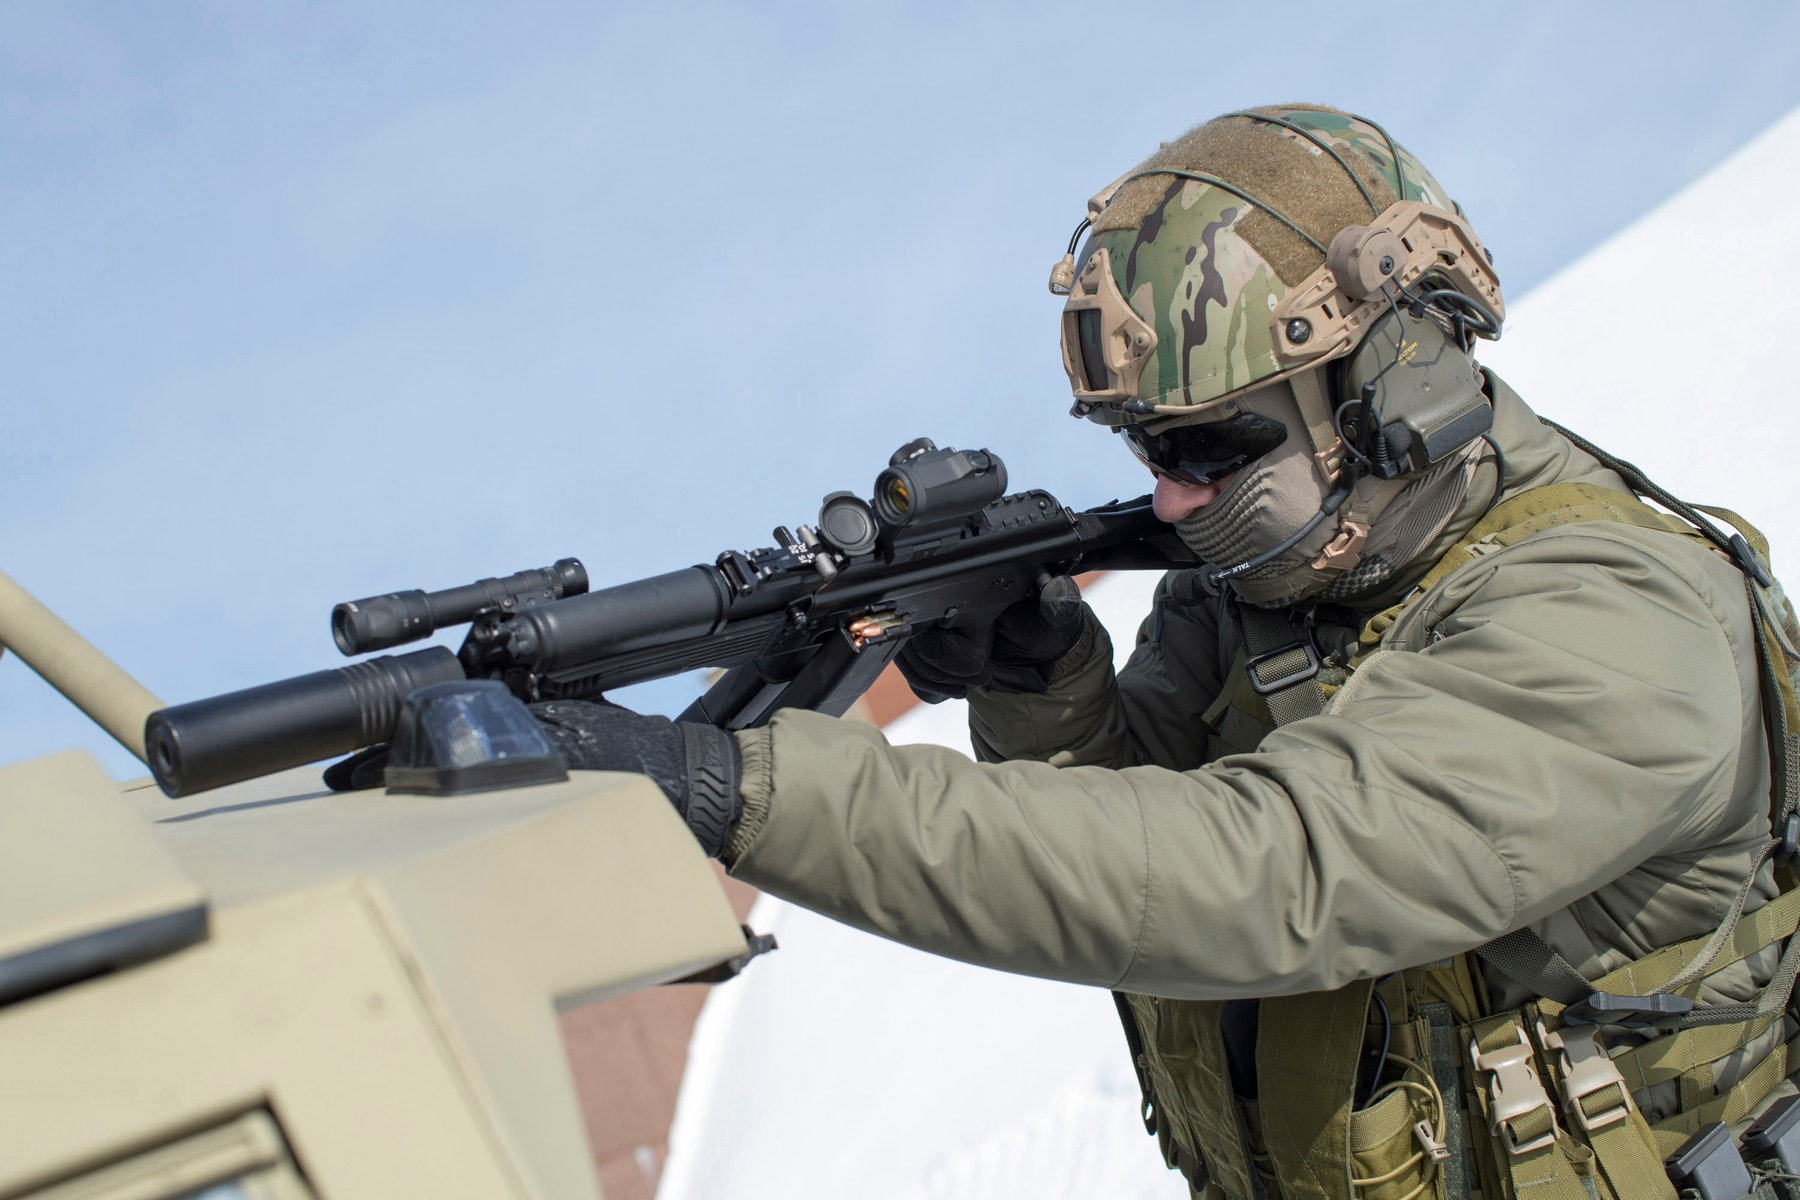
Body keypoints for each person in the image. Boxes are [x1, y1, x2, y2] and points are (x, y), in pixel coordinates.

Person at [534, 107, 1800, 1198]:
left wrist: (747, 788)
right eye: (1148, 455)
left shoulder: (1613, 618)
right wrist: (1048, 682)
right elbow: (1130, 835)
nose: (1174, 503)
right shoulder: (1285, 577)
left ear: (1394, 385)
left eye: (1208, 451)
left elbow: (1258, 875)